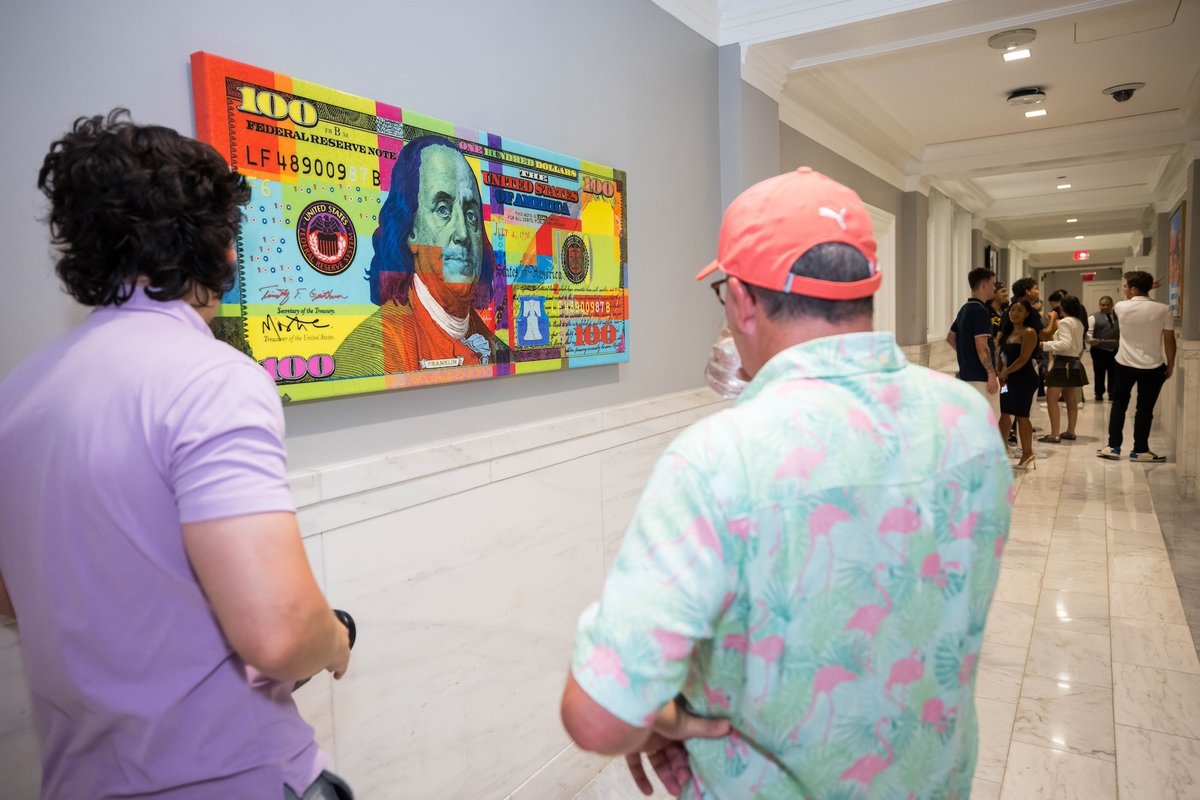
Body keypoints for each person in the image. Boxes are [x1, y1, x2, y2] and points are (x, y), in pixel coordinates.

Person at [561, 167, 1013, 799]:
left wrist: (671, 720)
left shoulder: (719, 462)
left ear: (742, 299)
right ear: (867, 287)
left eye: (723, 295)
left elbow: (596, 715)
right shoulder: (968, 419)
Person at [0, 110, 353, 799]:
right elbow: (280, 633)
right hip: (229, 779)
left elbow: (11, 598)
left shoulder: (20, 394)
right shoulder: (210, 379)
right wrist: (332, 641)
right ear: (223, 249)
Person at [333, 135, 509, 377]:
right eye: (443, 210)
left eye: (471, 215)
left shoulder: (500, 352)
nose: (462, 234)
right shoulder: (369, 355)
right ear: (411, 229)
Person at [1098, 271, 1176, 462]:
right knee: (1145, 409)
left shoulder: (1121, 307)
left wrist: (1145, 289)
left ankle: (1113, 447)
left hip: (1124, 364)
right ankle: (1140, 450)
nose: (1124, 290)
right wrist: (1171, 364)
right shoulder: (1164, 309)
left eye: (1126, 286)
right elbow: (1169, 340)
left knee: (1119, 405)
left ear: (1133, 289)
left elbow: (1132, 299)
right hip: (1153, 365)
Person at [948, 267, 1000, 420]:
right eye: (993, 284)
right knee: (989, 420)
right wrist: (991, 373)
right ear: (984, 285)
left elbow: (951, 338)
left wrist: (966, 355)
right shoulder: (980, 311)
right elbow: (982, 347)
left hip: (967, 375)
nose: (994, 288)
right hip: (981, 377)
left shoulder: (964, 309)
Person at [1039, 295, 1089, 443]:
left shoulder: (1065, 322)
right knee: (1071, 399)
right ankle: (1070, 431)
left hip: (1063, 363)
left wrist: (1045, 345)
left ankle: (1054, 433)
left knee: (1051, 399)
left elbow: (1065, 344)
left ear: (1063, 307)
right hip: (1073, 362)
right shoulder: (1078, 322)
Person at [998, 299, 1039, 469]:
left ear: (1027, 314)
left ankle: (1028, 454)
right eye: (1012, 310)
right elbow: (1002, 356)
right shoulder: (1007, 333)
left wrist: (1005, 372)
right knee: (1004, 413)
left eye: (1020, 310)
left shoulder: (1029, 332)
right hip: (1009, 379)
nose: (1015, 313)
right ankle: (1001, 451)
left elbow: (1024, 359)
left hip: (1025, 379)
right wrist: (1000, 372)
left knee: (1022, 416)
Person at [1088, 295, 1120, 400]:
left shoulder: (1118, 316)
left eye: (1107, 305)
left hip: (1115, 350)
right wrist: (1091, 340)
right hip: (1099, 350)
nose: (1105, 307)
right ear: (1099, 305)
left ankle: (1112, 393)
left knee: (1114, 372)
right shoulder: (1093, 317)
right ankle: (1099, 393)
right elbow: (1089, 333)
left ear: (1112, 305)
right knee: (1099, 372)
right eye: (1103, 305)